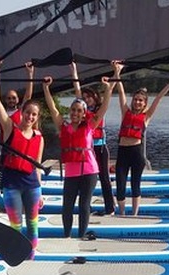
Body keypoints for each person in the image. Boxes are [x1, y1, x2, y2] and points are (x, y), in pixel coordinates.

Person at [43, 62, 117, 238]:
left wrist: (108, 89)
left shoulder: (90, 126)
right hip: (71, 171)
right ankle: (67, 235)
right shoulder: (64, 126)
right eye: (73, 110)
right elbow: (53, 109)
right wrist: (46, 88)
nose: (75, 113)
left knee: (84, 205)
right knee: (67, 205)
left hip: (89, 170)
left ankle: (82, 235)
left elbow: (104, 108)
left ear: (84, 113)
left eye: (78, 111)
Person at [0, 58, 45, 258]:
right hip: (11, 184)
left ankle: (31, 255)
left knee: (33, 223)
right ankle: (17, 255)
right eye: (28, 113)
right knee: (16, 225)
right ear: (21, 113)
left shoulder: (39, 138)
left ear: (37, 118)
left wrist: (40, 192)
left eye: (34, 115)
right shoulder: (9, 128)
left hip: (32, 185)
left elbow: (37, 167)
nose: (30, 117)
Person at [114, 69, 169, 216]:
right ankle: (121, 213)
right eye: (136, 99)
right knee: (120, 185)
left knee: (135, 185)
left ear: (144, 103)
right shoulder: (125, 112)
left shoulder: (146, 116)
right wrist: (117, 73)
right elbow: (121, 92)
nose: (137, 102)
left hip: (136, 153)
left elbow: (159, 97)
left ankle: (134, 214)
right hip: (123, 152)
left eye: (141, 100)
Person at [72, 61, 115, 216]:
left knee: (104, 177)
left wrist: (114, 75)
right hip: (87, 149)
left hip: (100, 147)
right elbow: (77, 91)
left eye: (89, 97)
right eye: (85, 98)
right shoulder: (82, 110)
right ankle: (86, 208)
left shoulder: (99, 109)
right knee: (86, 179)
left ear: (95, 97)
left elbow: (108, 93)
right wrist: (74, 71)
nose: (86, 99)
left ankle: (110, 208)